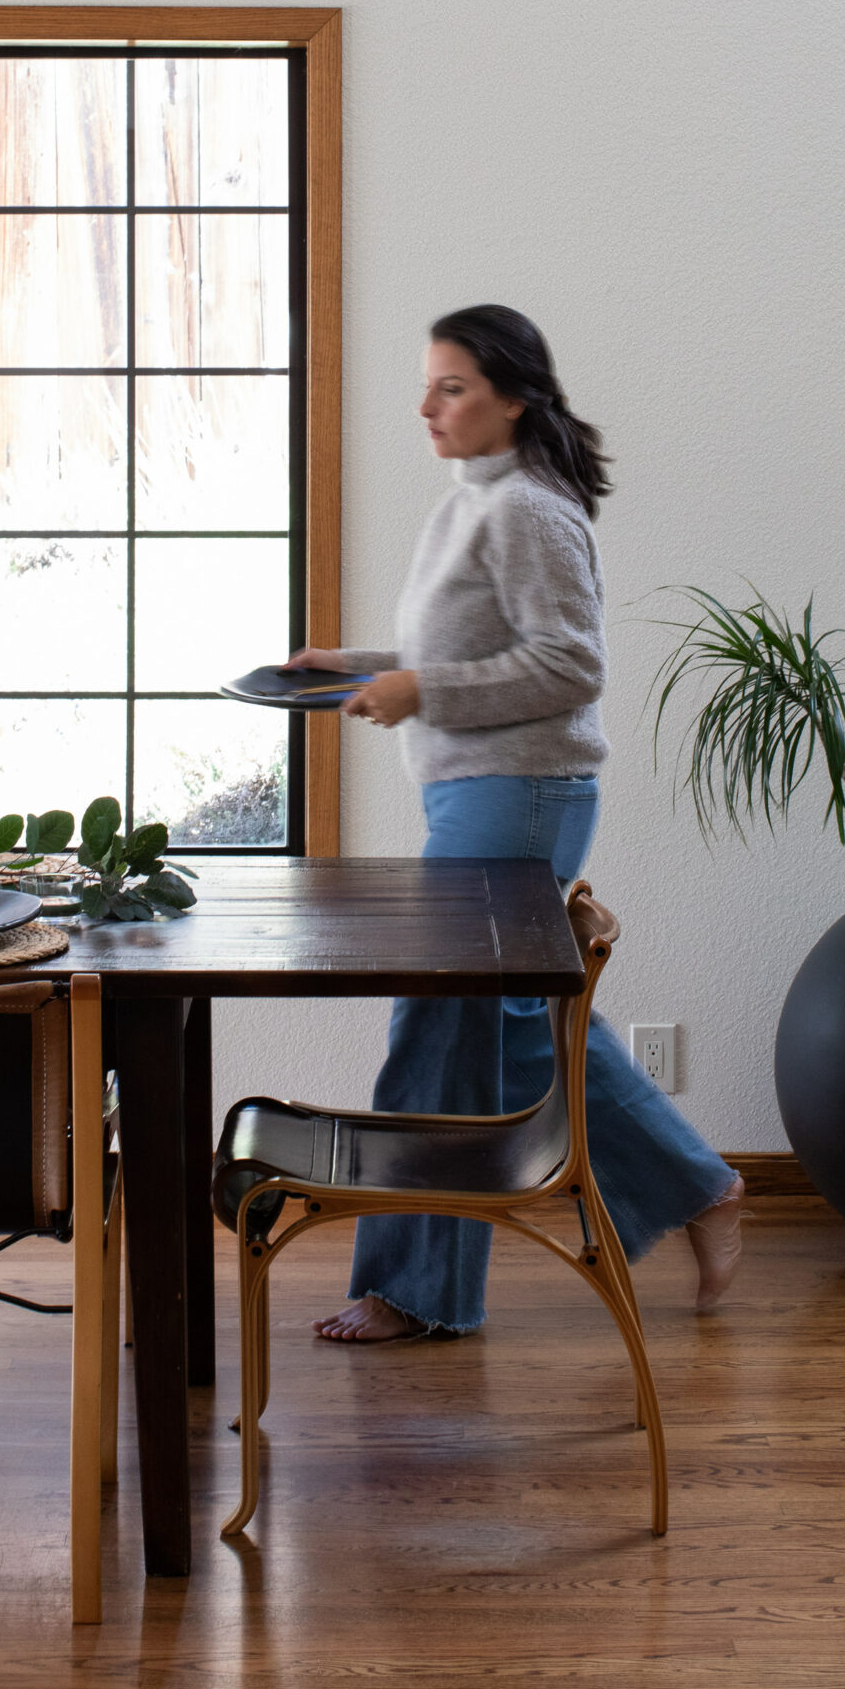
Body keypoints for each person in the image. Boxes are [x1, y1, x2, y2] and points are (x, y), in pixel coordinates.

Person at [288, 303, 743, 1342]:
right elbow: (474, 650)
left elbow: (571, 666)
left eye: (452, 386)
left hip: (520, 793)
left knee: (440, 1025)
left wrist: (422, 692)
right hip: (479, 791)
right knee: (516, 1031)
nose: (427, 405)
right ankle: (700, 1187)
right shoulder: (472, 504)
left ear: (516, 396)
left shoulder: (531, 510)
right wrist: (356, 669)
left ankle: (413, 1290)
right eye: (429, 383)